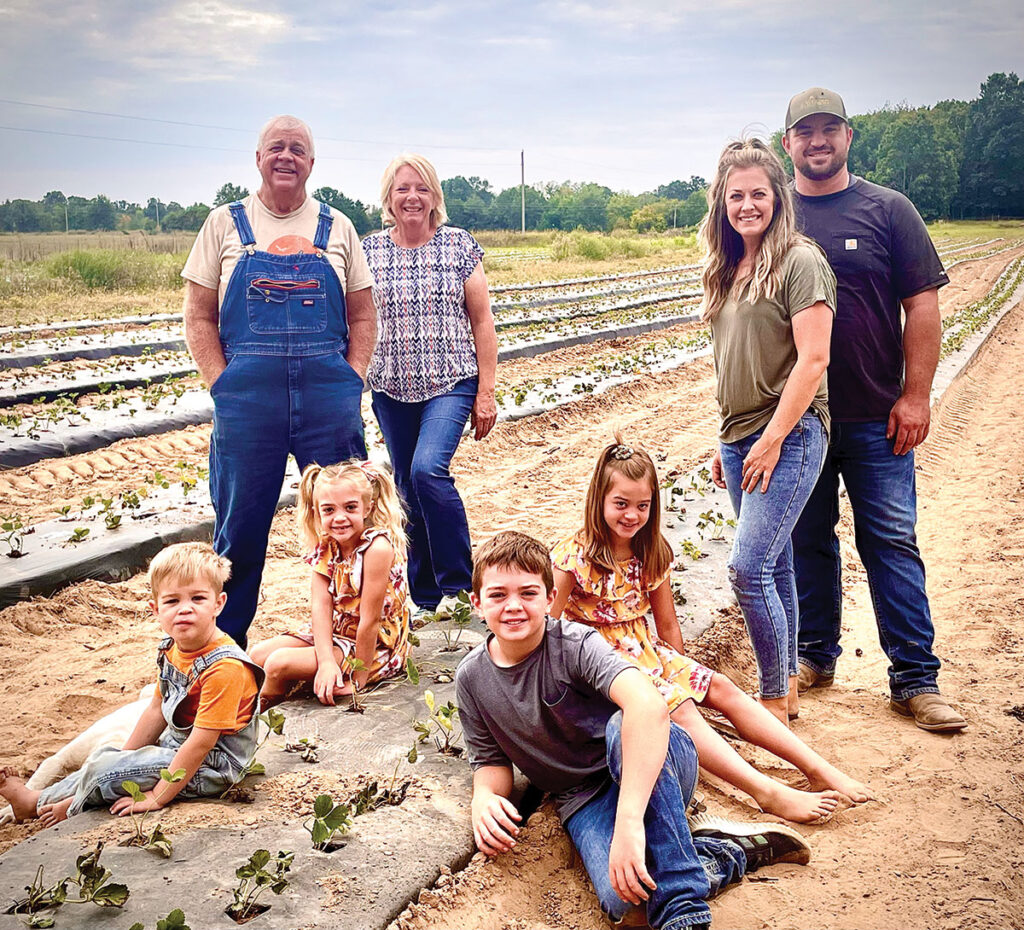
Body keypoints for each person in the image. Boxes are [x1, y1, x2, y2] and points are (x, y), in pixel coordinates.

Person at [458, 532, 813, 930]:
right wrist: (484, 798)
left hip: (653, 761)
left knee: (619, 724)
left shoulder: (574, 644)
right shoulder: (472, 679)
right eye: (497, 595)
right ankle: (724, 852)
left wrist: (628, 824)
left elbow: (648, 706)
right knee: (625, 903)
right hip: (583, 797)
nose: (514, 607)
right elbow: (490, 763)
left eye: (527, 593)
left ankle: (683, 910)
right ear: (477, 603)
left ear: (548, 597)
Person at [551, 438, 868, 824]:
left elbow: (667, 626)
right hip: (599, 665)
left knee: (721, 687)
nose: (632, 515)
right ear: (599, 499)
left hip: (645, 651)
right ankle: (764, 791)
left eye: (642, 506)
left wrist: (684, 673)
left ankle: (816, 767)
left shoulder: (650, 552)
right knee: (680, 707)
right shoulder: (574, 556)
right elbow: (549, 627)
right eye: (621, 504)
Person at [782, 87, 966, 732]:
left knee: (890, 540)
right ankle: (812, 657)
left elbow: (922, 306)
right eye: (805, 132)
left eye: (829, 129)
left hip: (874, 414)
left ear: (849, 136)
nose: (818, 141)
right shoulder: (776, 217)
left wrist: (916, 396)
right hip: (800, 420)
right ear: (789, 145)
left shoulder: (888, 210)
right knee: (806, 539)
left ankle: (916, 678)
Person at [182, 115, 377, 648]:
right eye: (276, 148)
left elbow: (363, 315)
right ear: (259, 158)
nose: (286, 157)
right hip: (248, 402)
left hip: (326, 398)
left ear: (312, 163)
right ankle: (222, 650)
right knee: (239, 532)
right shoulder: (224, 223)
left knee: (348, 522)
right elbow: (198, 315)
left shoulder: (336, 227)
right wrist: (222, 384)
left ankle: (354, 643)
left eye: (297, 149)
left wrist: (349, 379)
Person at [697, 138, 836, 725]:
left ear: (777, 197)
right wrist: (724, 439)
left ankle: (773, 697)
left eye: (758, 193)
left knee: (748, 569)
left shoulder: (800, 262)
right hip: (739, 436)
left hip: (790, 431)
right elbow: (734, 359)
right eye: (736, 195)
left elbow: (813, 360)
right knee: (775, 567)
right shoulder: (730, 266)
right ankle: (785, 695)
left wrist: (772, 438)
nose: (747, 205)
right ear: (721, 203)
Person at [0, 543, 263, 825]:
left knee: (107, 773)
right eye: (172, 601)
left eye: (197, 599)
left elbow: (200, 744)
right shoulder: (172, 649)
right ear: (155, 609)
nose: (185, 609)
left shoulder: (224, 668)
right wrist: (123, 757)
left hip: (213, 766)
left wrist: (157, 797)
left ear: (218, 604)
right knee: (105, 758)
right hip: (177, 746)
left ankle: (54, 804)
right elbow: (155, 709)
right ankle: (45, 796)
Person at [362, 154, 497, 615]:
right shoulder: (370, 251)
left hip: (450, 380)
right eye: (402, 189)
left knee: (427, 472)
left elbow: (482, 321)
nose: (412, 197)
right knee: (404, 486)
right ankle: (423, 595)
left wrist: (486, 391)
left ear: (435, 196)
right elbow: (355, 320)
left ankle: (460, 586)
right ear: (388, 198)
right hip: (390, 386)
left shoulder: (458, 246)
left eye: (421, 188)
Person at [250, 461, 410, 708]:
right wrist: (325, 661)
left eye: (350, 507)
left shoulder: (377, 548)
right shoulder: (327, 545)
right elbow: (320, 609)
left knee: (276, 665)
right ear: (317, 511)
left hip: (371, 645)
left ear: (368, 508)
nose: (340, 518)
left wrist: (359, 679)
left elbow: (370, 622)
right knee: (258, 656)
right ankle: (294, 684)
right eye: (329, 510)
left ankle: (263, 713)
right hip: (337, 631)